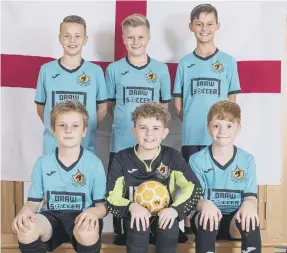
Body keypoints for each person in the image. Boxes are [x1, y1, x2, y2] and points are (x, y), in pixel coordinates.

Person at [173, 3, 241, 232]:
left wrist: (221, 128)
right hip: (192, 136)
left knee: (216, 182)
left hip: (220, 137)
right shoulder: (184, 63)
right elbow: (178, 103)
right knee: (191, 185)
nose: (204, 28)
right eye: (199, 23)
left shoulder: (228, 62)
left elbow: (232, 102)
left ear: (217, 26)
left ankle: (217, 226)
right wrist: (195, 122)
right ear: (191, 26)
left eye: (209, 23)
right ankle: (191, 226)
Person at [105, 13, 171, 244]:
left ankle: (155, 230)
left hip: (150, 145)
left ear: (148, 37)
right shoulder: (114, 70)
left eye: (140, 37)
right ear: (123, 39)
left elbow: (163, 108)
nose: (135, 42)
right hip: (122, 140)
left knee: (152, 186)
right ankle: (121, 232)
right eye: (130, 37)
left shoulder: (161, 70)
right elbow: (111, 105)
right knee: (119, 190)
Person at [106, 103, 203, 253]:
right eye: (143, 128)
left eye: (155, 128)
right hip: (131, 224)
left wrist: (175, 210)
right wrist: (132, 207)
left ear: (165, 132)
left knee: (169, 225)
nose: (149, 134)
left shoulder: (172, 157)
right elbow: (111, 197)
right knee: (138, 223)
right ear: (134, 131)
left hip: (164, 223)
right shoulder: (121, 158)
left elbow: (194, 188)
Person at [12, 100, 107, 253]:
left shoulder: (94, 163)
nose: (68, 130)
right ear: (53, 130)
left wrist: (93, 213)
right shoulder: (42, 163)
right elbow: (33, 202)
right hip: (51, 217)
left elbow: (102, 206)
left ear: (84, 131)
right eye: (62, 125)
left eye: (75, 126)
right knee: (26, 229)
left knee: (87, 231)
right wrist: (25, 212)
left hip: (82, 216)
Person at [189, 101, 261, 253]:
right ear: (208, 128)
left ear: (238, 128)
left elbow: (250, 198)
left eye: (229, 126)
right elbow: (195, 200)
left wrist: (249, 205)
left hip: (234, 220)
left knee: (251, 218)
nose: (222, 131)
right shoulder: (197, 159)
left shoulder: (247, 160)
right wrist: (204, 204)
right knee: (207, 218)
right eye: (216, 126)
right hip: (206, 218)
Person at [35, 15, 107, 155]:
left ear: (85, 39)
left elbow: (103, 109)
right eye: (67, 36)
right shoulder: (46, 70)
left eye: (77, 36)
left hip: (84, 146)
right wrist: (54, 128)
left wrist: (86, 129)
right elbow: (40, 107)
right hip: (53, 146)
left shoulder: (95, 71)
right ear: (60, 38)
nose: (72, 40)